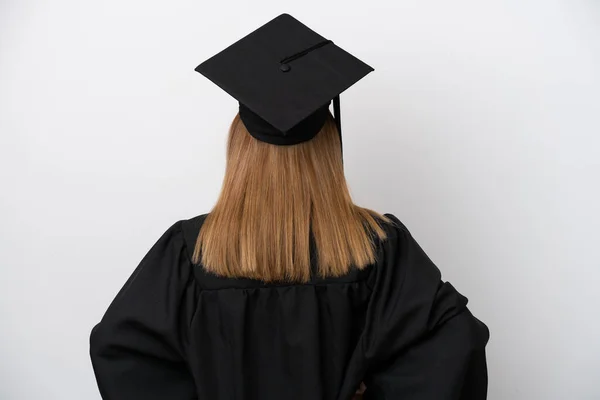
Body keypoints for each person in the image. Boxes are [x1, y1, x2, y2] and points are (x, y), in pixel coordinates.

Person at [89, 13, 490, 400]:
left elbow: (123, 351)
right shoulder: (378, 249)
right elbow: (453, 346)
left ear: (239, 149)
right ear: (329, 150)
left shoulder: (191, 250)